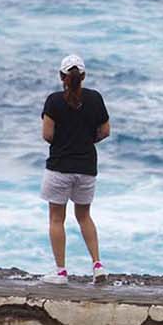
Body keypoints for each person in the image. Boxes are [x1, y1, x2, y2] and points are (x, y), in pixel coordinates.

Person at [40, 54, 110, 285]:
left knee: (56, 218)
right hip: (87, 167)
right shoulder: (95, 98)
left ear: (61, 76)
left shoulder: (54, 101)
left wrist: (63, 143)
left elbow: (47, 135)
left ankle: (61, 272)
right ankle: (98, 265)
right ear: (84, 76)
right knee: (84, 216)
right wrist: (86, 141)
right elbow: (105, 131)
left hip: (59, 167)